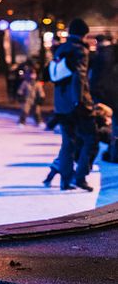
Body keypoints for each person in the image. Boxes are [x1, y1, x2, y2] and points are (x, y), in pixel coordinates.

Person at [52, 18, 95, 191]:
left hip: (61, 103)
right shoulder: (80, 51)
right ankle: (80, 177)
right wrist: (80, 101)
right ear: (84, 34)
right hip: (76, 103)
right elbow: (79, 77)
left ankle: (65, 180)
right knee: (91, 139)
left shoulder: (61, 49)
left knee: (67, 142)